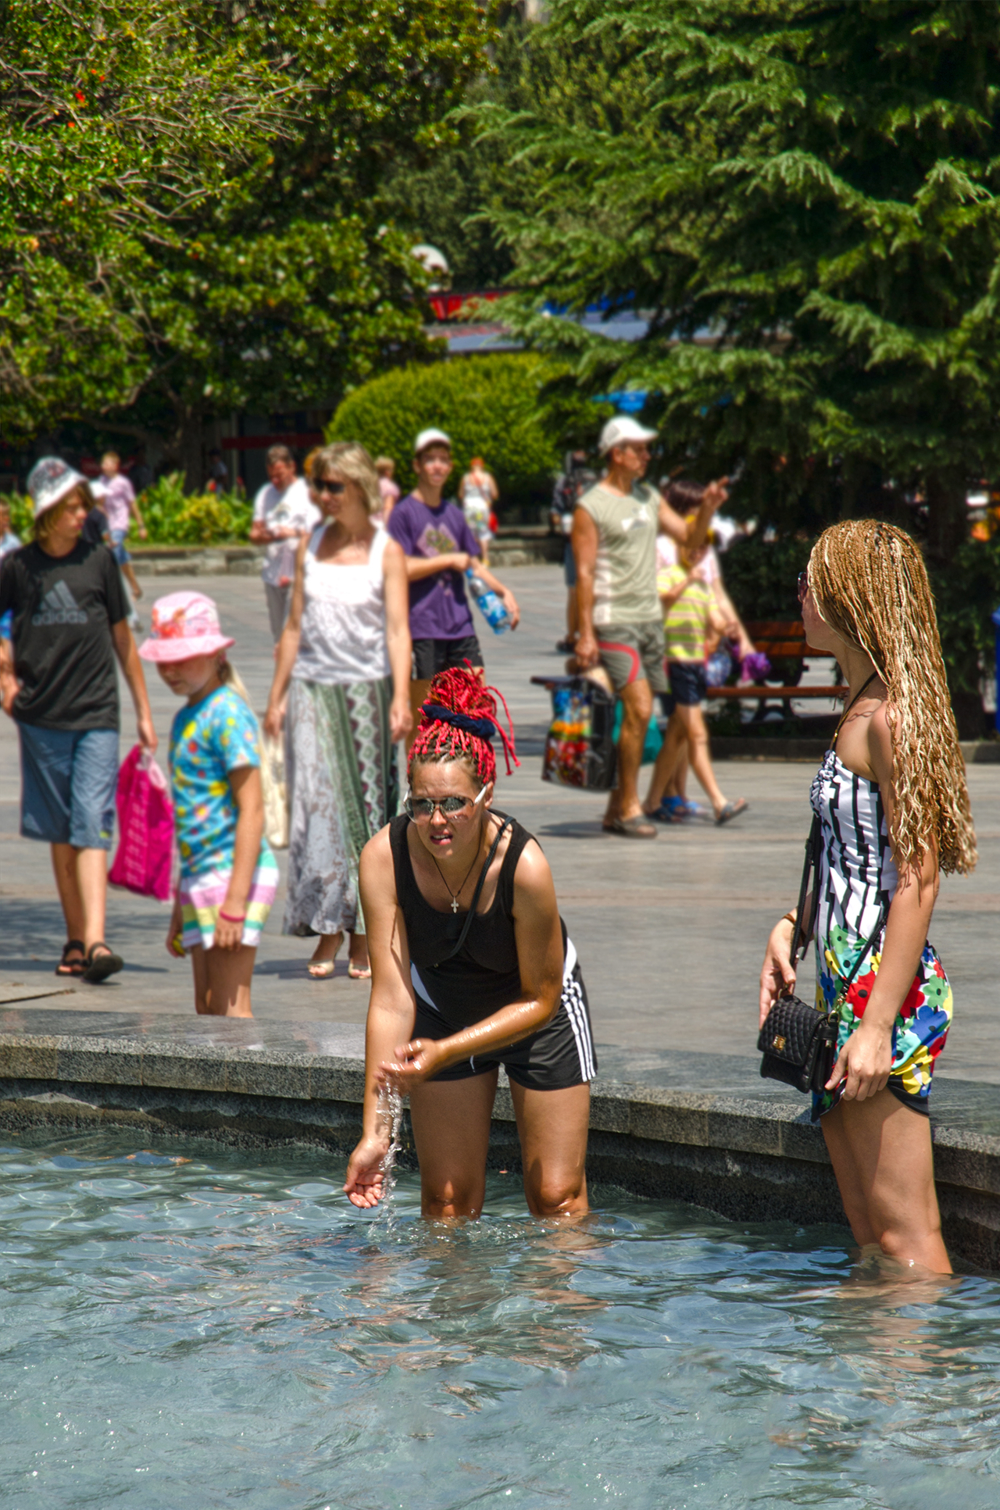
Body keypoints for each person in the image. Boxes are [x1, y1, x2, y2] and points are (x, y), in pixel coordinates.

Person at [759, 521, 977, 1275]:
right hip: (845, 981)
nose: (800, 595)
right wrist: (792, 926)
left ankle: (929, 1390)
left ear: (850, 597)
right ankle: (868, 1391)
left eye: (810, 581)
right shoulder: (861, 703)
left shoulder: (889, 718)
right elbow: (854, 858)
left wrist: (877, 1026)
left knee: (906, 1239)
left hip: (887, 991)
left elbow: (919, 875)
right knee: (868, 1234)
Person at [343, 667, 596, 1220]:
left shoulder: (524, 867)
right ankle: (459, 1309)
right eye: (421, 805)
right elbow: (390, 999)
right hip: (441, 1006)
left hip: (537, 1013)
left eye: (453, 803)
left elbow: (542, 1000)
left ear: (486, 794)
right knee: (448, 1203)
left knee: (555, 1197)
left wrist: (448, 1052)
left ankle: (561, 1306)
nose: (437, 822)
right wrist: (375, 1132)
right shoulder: (383, 858)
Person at [0, 457, 157, 983]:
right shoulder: (18, 566)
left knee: (90, 823)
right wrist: (5, 681)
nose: (81, 512)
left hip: (97, 713)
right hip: (41, 716)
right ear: (47, 510)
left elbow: (122, 639)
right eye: (71, 504)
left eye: (83, 503)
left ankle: (95, 940)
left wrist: (144, 711)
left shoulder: (100, 560)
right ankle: (75, 938)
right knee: (61, 833)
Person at [264, 443, 412, 980]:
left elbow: (398, 631)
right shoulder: (309, 543)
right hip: (311, 691)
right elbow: (294, 627)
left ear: (359, 487)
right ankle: (326, 928)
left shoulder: (386, 551)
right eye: (319, 486)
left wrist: (400, 697)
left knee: (370, 813)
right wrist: (276, 697)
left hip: (365, 695)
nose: (323, 496)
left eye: (333, 486)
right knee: (316, 816)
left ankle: (366, 934)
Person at [572, 416, 726, 837]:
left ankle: (615, 808)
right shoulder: (591, 506)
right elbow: (583, 574)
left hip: (650, 623)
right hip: (613, 622)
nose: (646, 455)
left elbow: (691, 538)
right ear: (616, 453)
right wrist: (585, 633)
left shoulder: (648, 496)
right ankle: (629, 807)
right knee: (639, 708)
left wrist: (708, 506)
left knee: (662, 713)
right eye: (638, 449)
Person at [140, 592, 276, 1018]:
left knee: (231, 1012)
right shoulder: (186, 717)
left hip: (233, 872)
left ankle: (258, 1082)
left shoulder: (227, 714)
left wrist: (234, 903)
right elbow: (190, 821)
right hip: (201, 875)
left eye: (182, 658)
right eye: (164, 660)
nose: (170, 670)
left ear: (216, 653)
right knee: (208, 1009)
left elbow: (252, 808)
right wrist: (182, 903)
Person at [387, 428, 520, 742]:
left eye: (443, 460)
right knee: (425, 719)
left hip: (460, 627)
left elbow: (471, 562)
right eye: (430, 459)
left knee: (475, 709)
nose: (437, 466)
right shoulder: (403, 514)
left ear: (450, 467)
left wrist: (504, 591)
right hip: (422, 629)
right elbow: (400, 568)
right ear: (416, 465)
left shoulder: (455, 514)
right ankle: (418, 788)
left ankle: (470, 780)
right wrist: (447, 560)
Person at [645, 480, 756, 822]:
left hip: (695, 657)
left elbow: (715, 595)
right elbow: (658, 597)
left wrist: (734, 633)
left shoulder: (701, 548)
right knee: (693, 730)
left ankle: (662, 798)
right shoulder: (666, 550)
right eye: (695, 513)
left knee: (680, 729)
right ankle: (714, 799)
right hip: (671, 656)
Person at [249, 445, 320, 641]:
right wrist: (265, 535)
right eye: (271, 475)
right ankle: (284, 669)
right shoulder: (265, 493)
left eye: (279, 474)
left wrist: (289, 532)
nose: (275, 480)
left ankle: (294, 669)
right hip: (272, 572)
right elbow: (255, 532)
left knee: (293, 629)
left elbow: (315, 532)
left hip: (297, 572)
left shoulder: (307, 492)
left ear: (292, 467)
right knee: (278, 634)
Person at [92, 451, 147, 607]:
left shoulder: (123, 483)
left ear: (116, 465)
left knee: (112, 555)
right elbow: (98, 503)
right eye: (103, 463)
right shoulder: (101, 481)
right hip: (107, 524)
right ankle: (136, 589)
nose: (104, 466)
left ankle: (112, 594)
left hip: (119, 524)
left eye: (108, 463)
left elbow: (132, 504)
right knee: (121, 558)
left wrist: (141, 525)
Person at [550, 451, 591, 654]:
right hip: (594, 539)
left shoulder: (563, 481)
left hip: (571, 539)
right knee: (591, 587)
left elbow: (555, 511)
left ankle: (571, 636)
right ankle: (588, 632)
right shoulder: (596, 479)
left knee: (574, 589)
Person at [458, 457, 499, 566]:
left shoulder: (466, 478)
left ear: (471, 467)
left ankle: (473, 559)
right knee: (483, 533)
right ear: (482, 466)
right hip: (483, 508)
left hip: (469, 508)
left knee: (470, 533)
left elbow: (461, 494)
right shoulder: (488, 477)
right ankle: (485, 559)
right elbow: (495, 494)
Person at [373, 456, 400, 527]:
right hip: (381, 523)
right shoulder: (390, 487)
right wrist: (386, 527)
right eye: (391, 470)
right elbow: (387, 508)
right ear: (387, 472)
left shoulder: (371, 486)